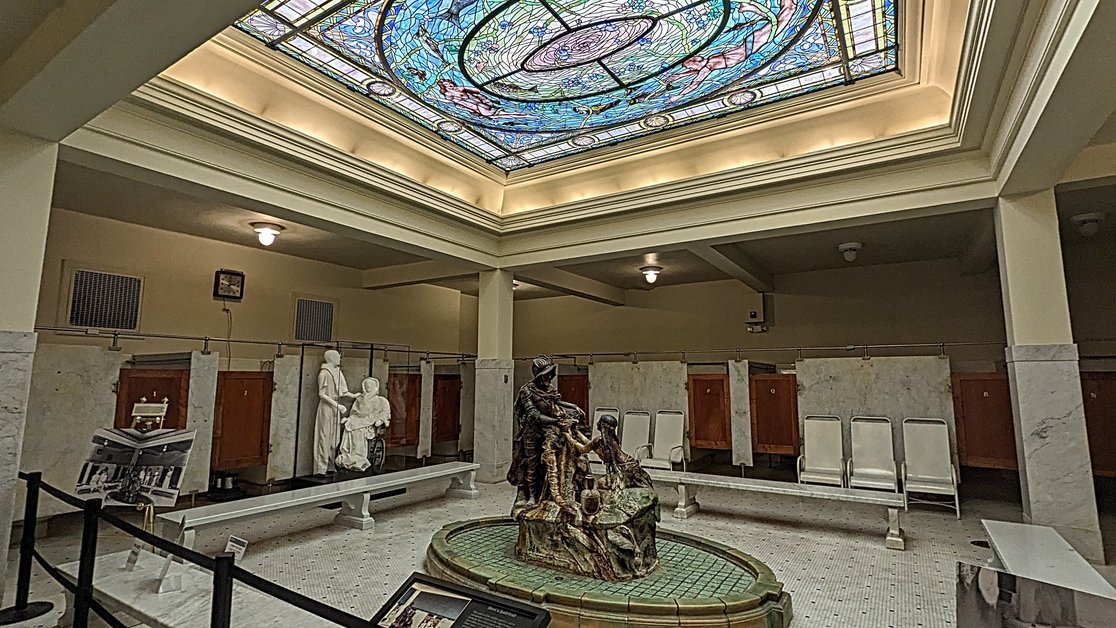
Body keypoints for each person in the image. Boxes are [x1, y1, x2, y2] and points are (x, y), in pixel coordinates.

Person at [508, 356, 579, 506]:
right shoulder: (526, 390)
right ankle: (532, 496)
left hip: (546, 428)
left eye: (549, 374)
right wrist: (556, 421)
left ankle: (553, 491)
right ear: (538, 375)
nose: (548, 377)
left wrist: (573, 407)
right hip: (531, 430)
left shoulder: (549, 389)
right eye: (545, 374)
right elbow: (533, 414)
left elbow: (555, 401)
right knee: (532, 463)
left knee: (554, 452)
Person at [565, 414, 653, 490]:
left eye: (599, 422)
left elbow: (583, 449)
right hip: (631, 464)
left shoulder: (599, 440)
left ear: (604, 425)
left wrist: (568, 437)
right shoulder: (612, 440)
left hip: (623, 470)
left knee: (600, 483)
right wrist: (576, 432)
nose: (597, 423)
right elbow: (589, 443)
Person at [314, 349, 357, 475]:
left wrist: (354, 396)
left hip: (336, 408)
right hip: (327, 408)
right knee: (324, 437)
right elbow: (322, 394)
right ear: (331, 358)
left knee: (334, 439)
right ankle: (321, 468)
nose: (340, 359)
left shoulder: (337, 372)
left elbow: (343, 391)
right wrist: (337, 405)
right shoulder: (324, 373)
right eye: (338, 356)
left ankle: (331, 465)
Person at [335, 377, 390, 472]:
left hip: (371, 422)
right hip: (359, 419)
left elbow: (385, 413)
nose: (368, 386)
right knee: (349, 427)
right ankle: (348, 455)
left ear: (375, 387)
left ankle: (359, 457)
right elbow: (354, 413)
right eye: (366, 384)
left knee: (359, 430)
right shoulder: (359, 399)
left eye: (370, 384)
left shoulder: (382, 400)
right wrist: (348, 419)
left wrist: (380, 420)